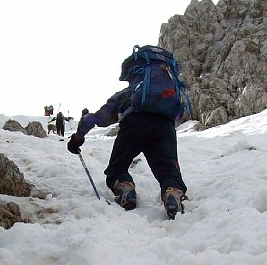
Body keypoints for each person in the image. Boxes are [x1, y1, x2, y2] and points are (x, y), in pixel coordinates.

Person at [67, 52, 188, 218]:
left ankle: (126, 188)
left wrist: (77, 138)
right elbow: (179, 115)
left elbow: (95, 119)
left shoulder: (126, 94)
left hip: (133, 125)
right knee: (168, 170)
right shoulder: (168, 95)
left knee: (117, 167)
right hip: (164, 126)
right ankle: (172, 192)